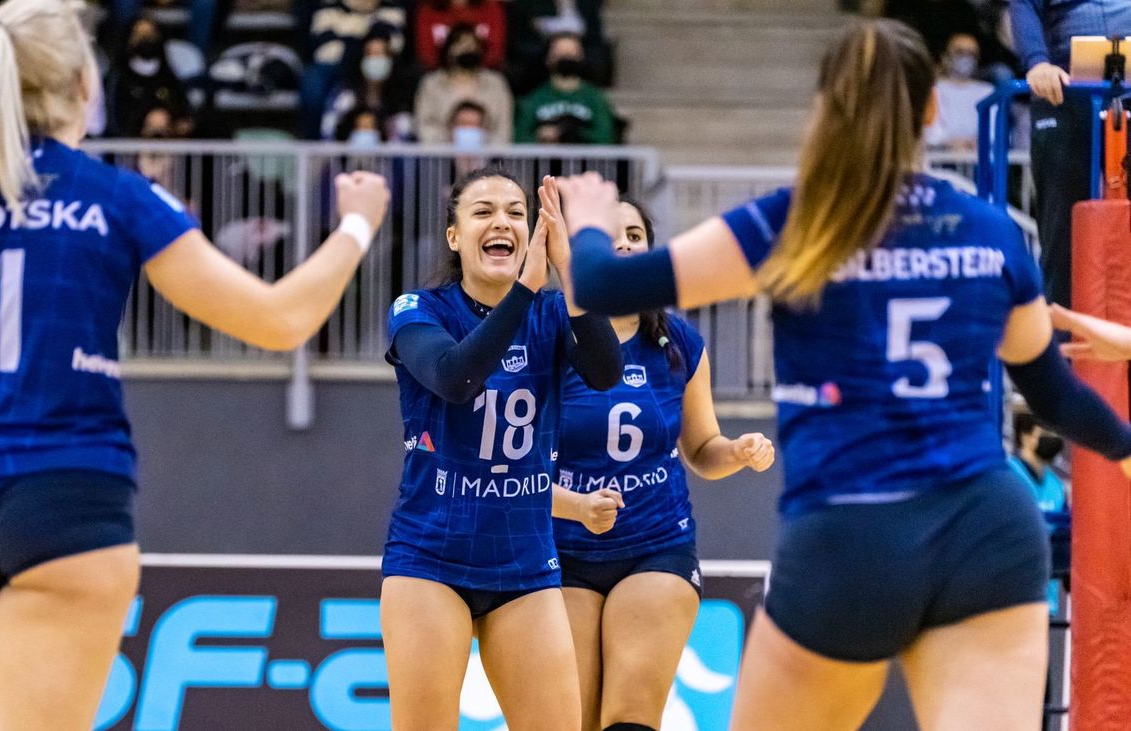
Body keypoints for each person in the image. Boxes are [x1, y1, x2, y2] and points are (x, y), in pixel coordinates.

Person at [558, 20, 1131, 730]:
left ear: (824, 105)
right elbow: (1052, 395)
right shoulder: (991, 230)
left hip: (847, 533)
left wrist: (586, 220)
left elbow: (603, 283)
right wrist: (1127, 450)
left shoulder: (798, 221)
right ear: (930, 110)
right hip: (985, 527)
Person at [0, 2, 390, 728]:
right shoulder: (114, 194)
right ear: (82, 87)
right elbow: (281, 318)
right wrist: (356, 223)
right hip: (65, 495)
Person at [381, 167, 621, 729]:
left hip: (524, 565)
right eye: (483, 211)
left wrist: (570, 269)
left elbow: (607, 371)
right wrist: (524, 291)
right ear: (454, 236)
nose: (503, 222)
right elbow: (454, 378)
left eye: (517, 212)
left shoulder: (553, 311)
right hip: (430, 561)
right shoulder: (418, 309)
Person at [551, 192, 774, 731]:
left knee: (630, 715)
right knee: (569, 718)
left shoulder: (678, 341)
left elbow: (701, 449)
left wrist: (736, 453)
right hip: (558, 548)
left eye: (636, 236)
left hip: (655, 544)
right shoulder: (547, 330)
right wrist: (576, 505)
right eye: (611, 234)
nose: (624, 244)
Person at [1011, 0, 1131, 308]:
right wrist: (1037, 63)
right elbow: (1024, 5)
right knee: (1063, 230)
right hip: (1063, 88)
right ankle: (1061, 345)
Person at [414, 23, 512, 144]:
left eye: (473, 44)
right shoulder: (431, 84)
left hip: (488, 156)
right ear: (448, 50)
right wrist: (449, 147)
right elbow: (425, 125)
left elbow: (503, 129)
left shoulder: (496, 83)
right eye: (461, 44)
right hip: (440, 155)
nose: (468, 48)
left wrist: (484, 150)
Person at [515, 33, 616, 145]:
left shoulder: (596, 99)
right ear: (548, 59)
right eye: (560, 53)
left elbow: (605, 137)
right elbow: (520, 138)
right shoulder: (534, 99)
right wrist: (540, 136)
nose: (567, 57)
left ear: (582, 57)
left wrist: (576, 135)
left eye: (572, 53)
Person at [320, 29, 415, 142]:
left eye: (380, 54)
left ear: (390, 59)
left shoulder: (400, 100)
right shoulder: (346, 96)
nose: (375, 59)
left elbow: (404, 146)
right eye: (370, 54)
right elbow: (327, 133)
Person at [105, 17, 193, 138]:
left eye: (150, 34)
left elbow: (185, 115)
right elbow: (113, 122)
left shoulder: (169, 76)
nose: (145, 38)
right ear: (129, 39)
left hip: (169, 148)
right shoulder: (118, 77)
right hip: (128, 148)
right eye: (139, 34)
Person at [925, 32, 995, 151]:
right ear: (945, 56)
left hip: (977, 158)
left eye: (971, 54)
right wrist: (950, 143)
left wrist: (977, 142)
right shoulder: (933, 89)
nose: (966, 58)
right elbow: (930, 130)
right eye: (959, 52)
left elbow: (993, 130)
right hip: (940, 156)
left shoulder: (988, 91)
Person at [416, 0, 506, 72]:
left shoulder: (491, 8)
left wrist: (471, 71)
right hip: (440, 74)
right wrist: (452, 73)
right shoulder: (428, 10)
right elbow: (426, 55)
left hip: (484, 73)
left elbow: (495, 53)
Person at [1008, 410, 1068, 516]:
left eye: (1056, 433)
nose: (1053, 438)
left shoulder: (1056, 485)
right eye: (1046, 433)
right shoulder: (1009, 475)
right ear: (1025, 437)